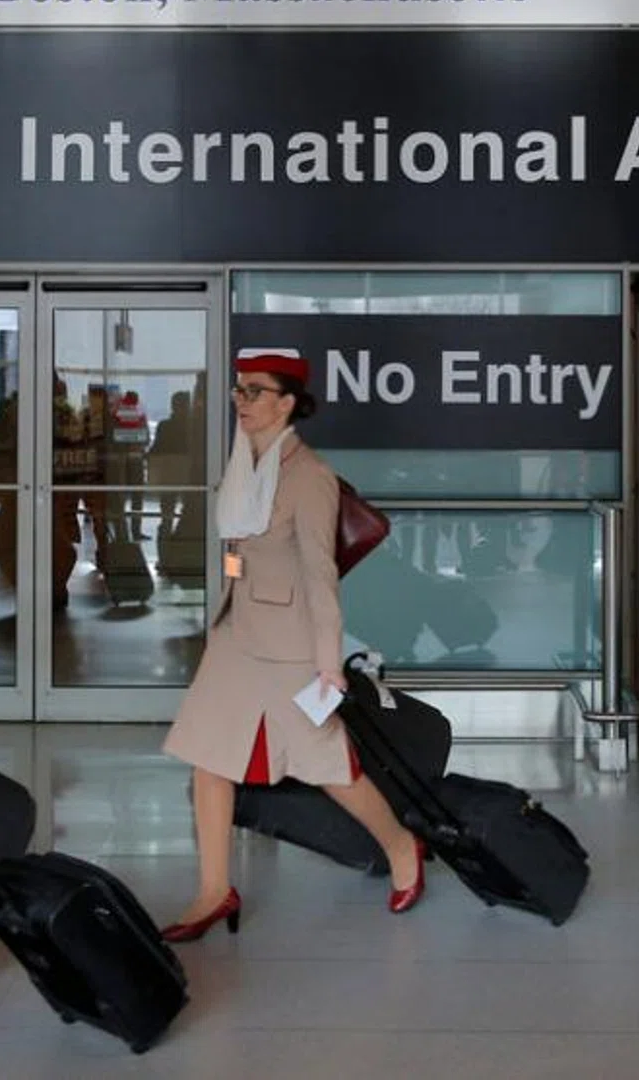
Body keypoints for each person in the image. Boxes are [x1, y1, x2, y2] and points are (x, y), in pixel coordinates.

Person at [159, 348, 425, 941]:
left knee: (327, 765)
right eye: (238, 390)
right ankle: (213, 892)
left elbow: (319, 576)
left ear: (286, 403)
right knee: (209, 758)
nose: (242, 401)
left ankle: (403, 848)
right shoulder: (243, 468)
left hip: (291, 646)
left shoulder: (311, 477)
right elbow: (238, 552)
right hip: (237, 636)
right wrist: (220, 614)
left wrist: (329, 664)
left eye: (255, 391)